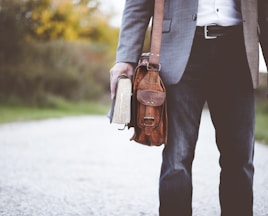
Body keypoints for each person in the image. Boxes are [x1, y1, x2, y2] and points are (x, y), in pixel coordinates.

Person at [109, 0, 268, 215]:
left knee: (240, 160)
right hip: (181, 50)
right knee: (177, 158)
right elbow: (137, 5)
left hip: (238, 50)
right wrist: (126, 58)